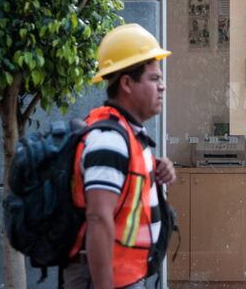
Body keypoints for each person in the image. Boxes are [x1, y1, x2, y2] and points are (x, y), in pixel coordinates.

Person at [63, 23, 176, 289]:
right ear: (126, 83)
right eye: (154, 78)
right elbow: (98, 219)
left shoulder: (129, 133)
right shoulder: (110, 141)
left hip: (126, 274)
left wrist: (159, 168)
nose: (162, 86)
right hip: (108, 279)